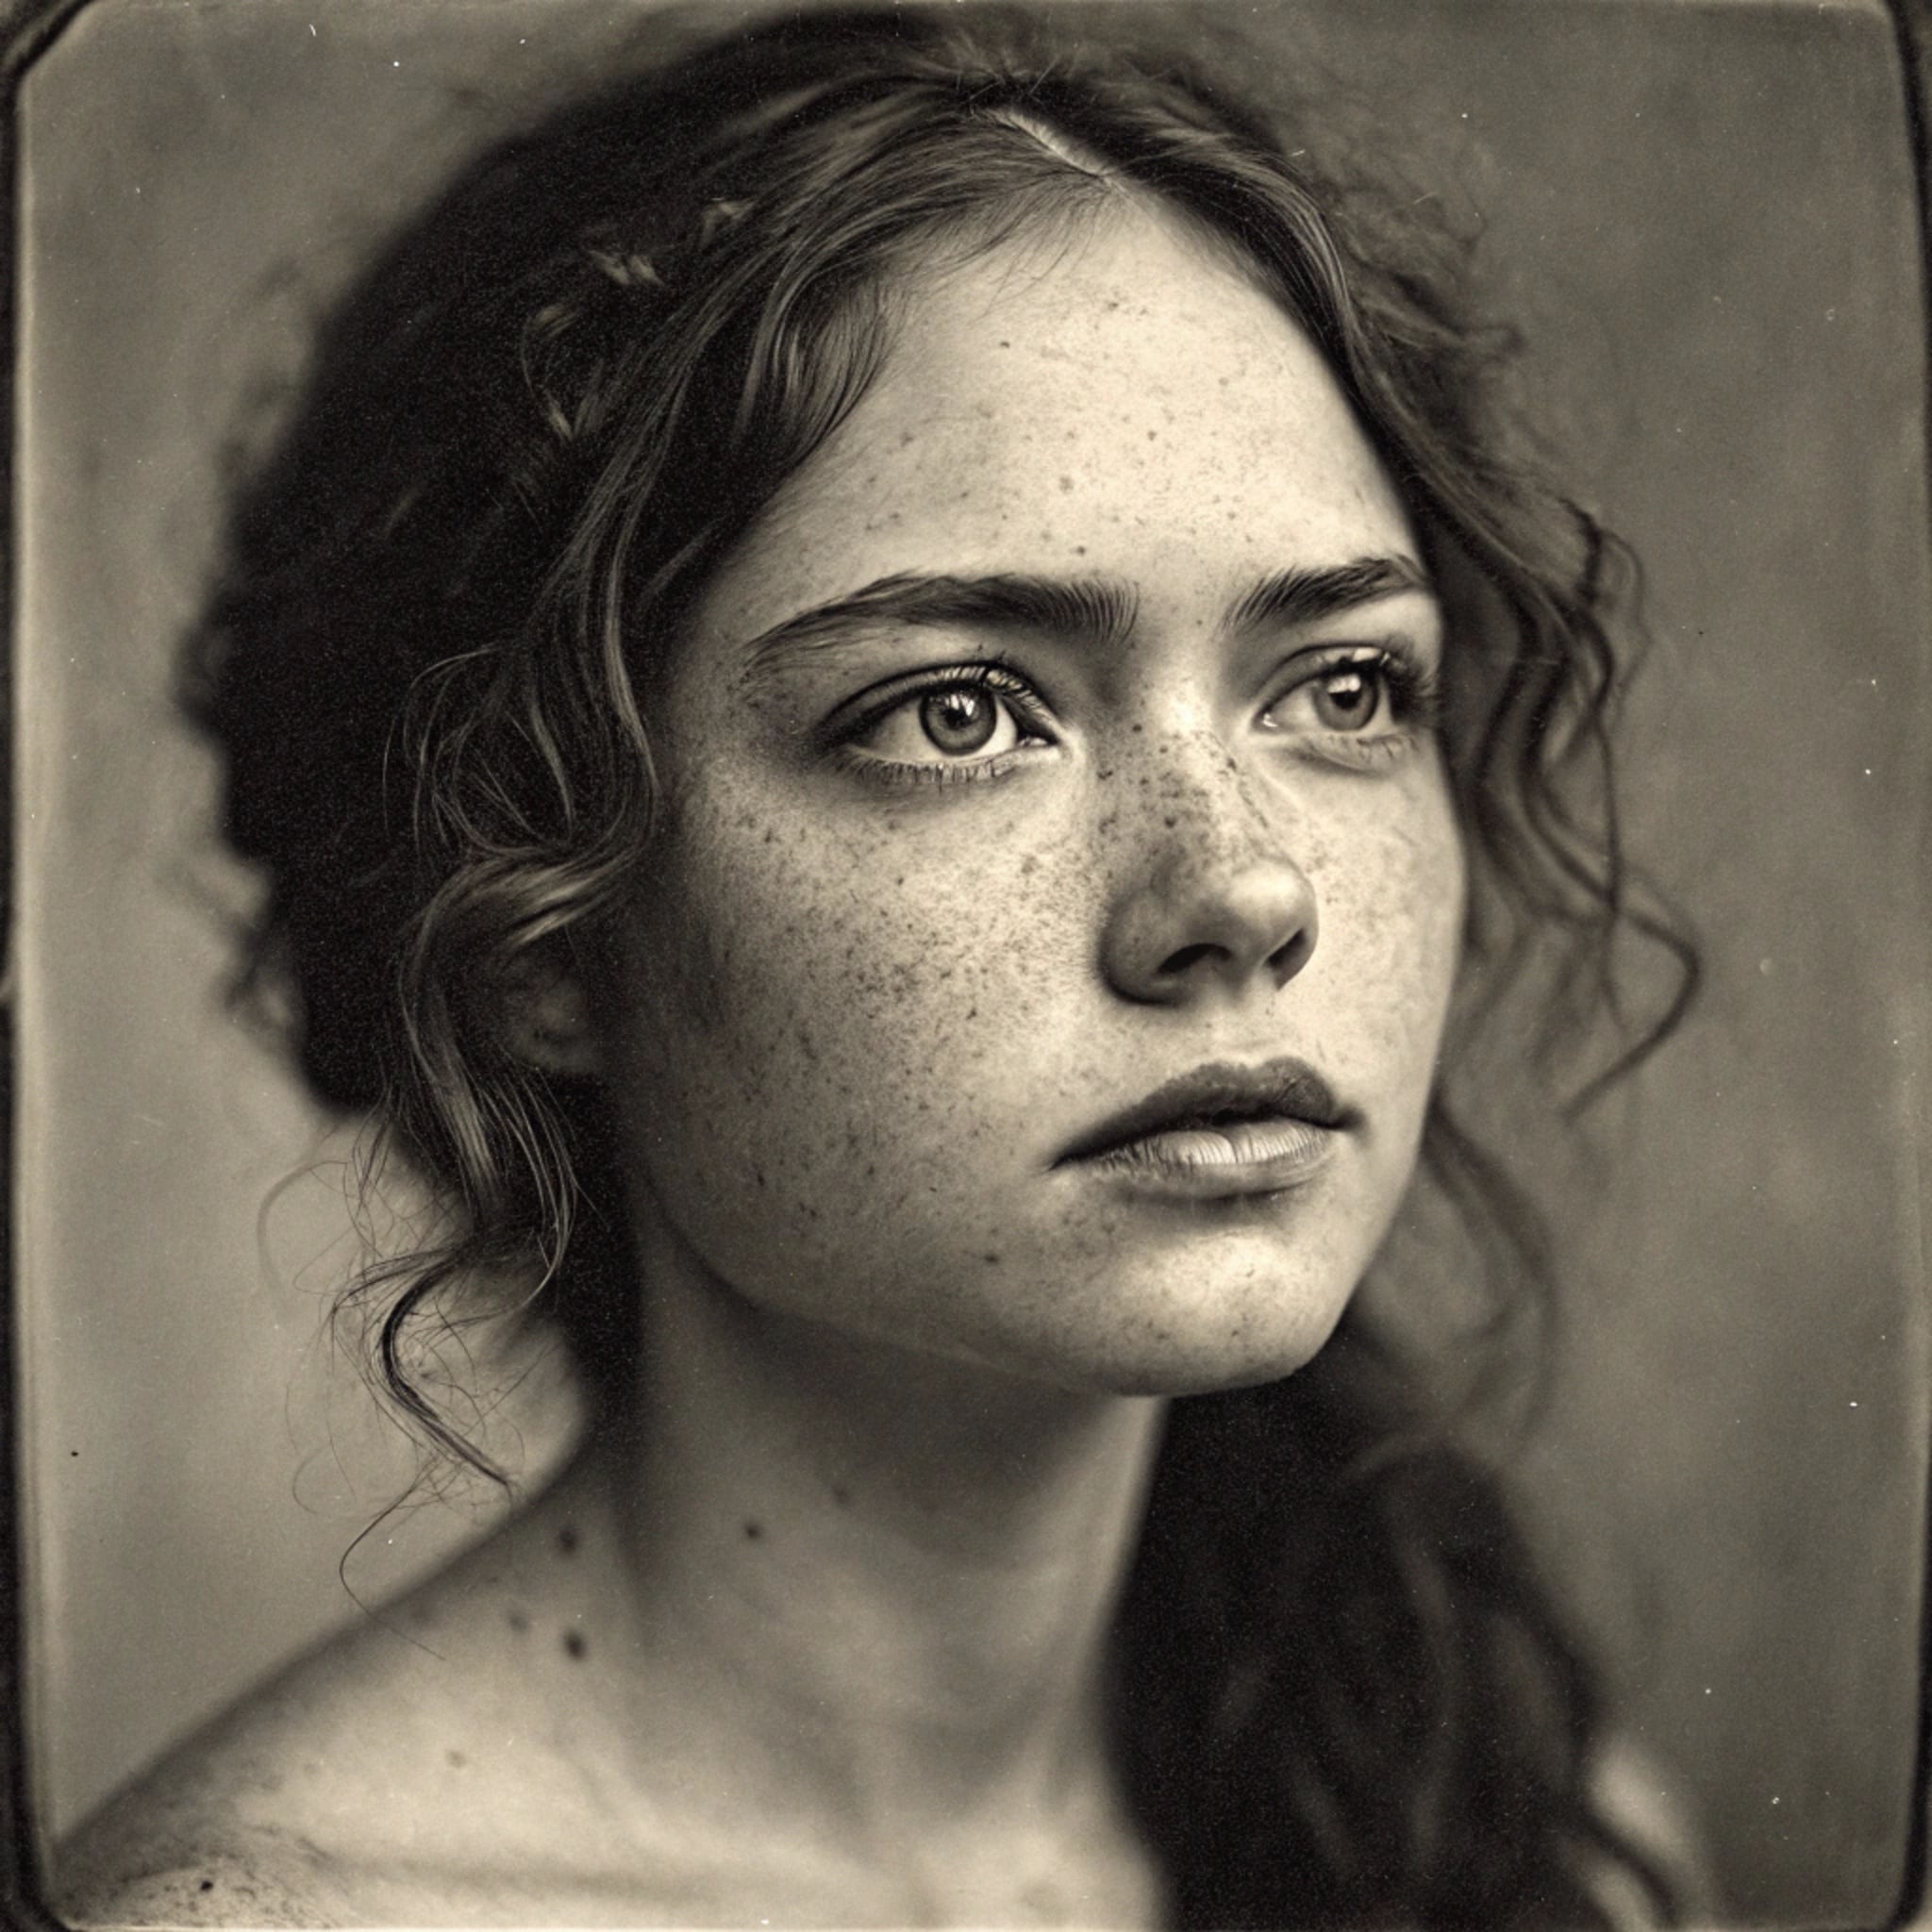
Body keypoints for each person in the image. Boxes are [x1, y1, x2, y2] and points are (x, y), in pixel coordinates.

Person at [54, 4, 1701, 1924]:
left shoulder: (1534, 1837)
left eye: (1341, 686)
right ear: (530, 925)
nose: (1244, 889)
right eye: (957, 713)